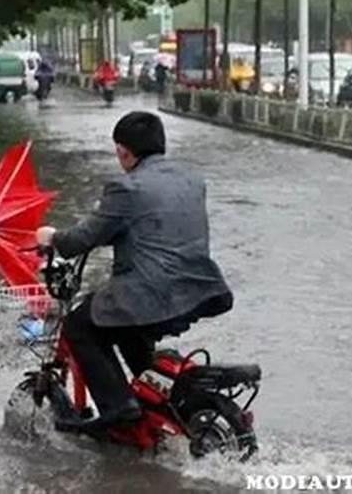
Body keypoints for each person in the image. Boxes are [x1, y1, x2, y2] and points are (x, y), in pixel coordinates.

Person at [36, 112, 233, 429]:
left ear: (123, 152)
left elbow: (83, 238)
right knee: (119, 321)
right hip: (198, 289)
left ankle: (119, 408)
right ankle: (158, 404)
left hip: (151, 294)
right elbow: (156, 226)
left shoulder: (126, 188)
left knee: (78, 325)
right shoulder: (192, 180)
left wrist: (52, 238)